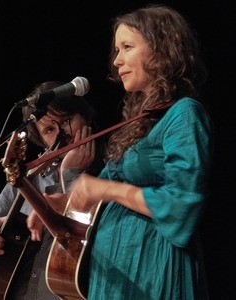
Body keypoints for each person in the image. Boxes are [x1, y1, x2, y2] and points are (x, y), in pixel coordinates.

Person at [29, 4, 214, 300]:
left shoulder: (185, 114)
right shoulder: (139, 123)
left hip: (152, 269)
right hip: (115, 269)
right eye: (117, 50)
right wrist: (55, 207)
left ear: (162, 50)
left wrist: (107, 189)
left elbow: (181, 205)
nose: (116, 61)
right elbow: (95, 201)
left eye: (127, 47)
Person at [0, 80, 104, 299]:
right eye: (49, 130)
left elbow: (82, 237)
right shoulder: (29, 178)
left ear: (86, 117)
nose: (62, 133)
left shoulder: (108, 171)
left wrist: (71, 174)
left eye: (67, 120)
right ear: (41, 140)